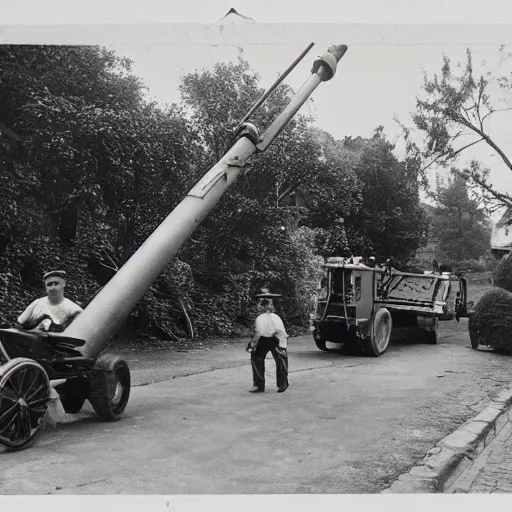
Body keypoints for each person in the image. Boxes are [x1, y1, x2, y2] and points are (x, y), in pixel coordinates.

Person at [246, 295, 289, 393]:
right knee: (259, 357)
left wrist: (252, 346)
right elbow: (281, 332)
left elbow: (258, 334)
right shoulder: (273, 317)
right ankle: (278, 384)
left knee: (278, 358)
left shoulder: (262, 318)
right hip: (269, 339)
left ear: (262, 306)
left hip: (272, 338)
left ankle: (262, 385)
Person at [17, 270, 83, 332]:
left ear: (63, 284)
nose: (53, 287)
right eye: (49, 284)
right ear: (46, 287)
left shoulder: (74, 309)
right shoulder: (37, 303)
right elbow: (18, 325)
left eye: (56, 283)